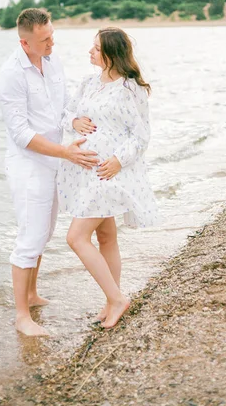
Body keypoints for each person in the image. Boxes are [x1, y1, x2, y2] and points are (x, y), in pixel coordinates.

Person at [0, 8, 98, 337]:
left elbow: (63, 105)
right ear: (25, 43)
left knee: (44, 232)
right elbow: (21, 134)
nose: (52, 42)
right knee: (29, 238)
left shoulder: (53, 61)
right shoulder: (10, 75)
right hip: (28, 165)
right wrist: (67, 152)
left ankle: (32, 294)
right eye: (44, 39)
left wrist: (74, 122)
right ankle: (22, 316)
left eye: (52, 35)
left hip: (54, 159)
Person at [58, 27, 157, 329]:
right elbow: (66, 114)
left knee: (75, 238)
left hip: (107, 174)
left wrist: (117, 161)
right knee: (106, 236)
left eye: (96, 47)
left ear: (111, 54)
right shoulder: (89, 83)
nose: (90, 51)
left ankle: (117, 300)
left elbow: (141, 136)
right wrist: (73, 121)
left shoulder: (130, 89)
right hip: (85, 173)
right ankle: (111, 300)